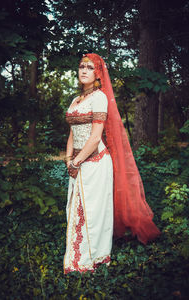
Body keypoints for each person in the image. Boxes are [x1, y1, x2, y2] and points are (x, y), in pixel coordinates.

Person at [63, 53, 161, 274]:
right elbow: (72, 133)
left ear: (98, 73)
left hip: (95, 161)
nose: (84, 71)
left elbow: (96, 137)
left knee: (94, 211)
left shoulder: (99, 98)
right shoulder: (75, 100)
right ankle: (78, 255)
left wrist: (77, 162)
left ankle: (95, 259)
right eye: (81, 67)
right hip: (77, 161)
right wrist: (69, 159)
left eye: (89, 67)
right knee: (75, 209)